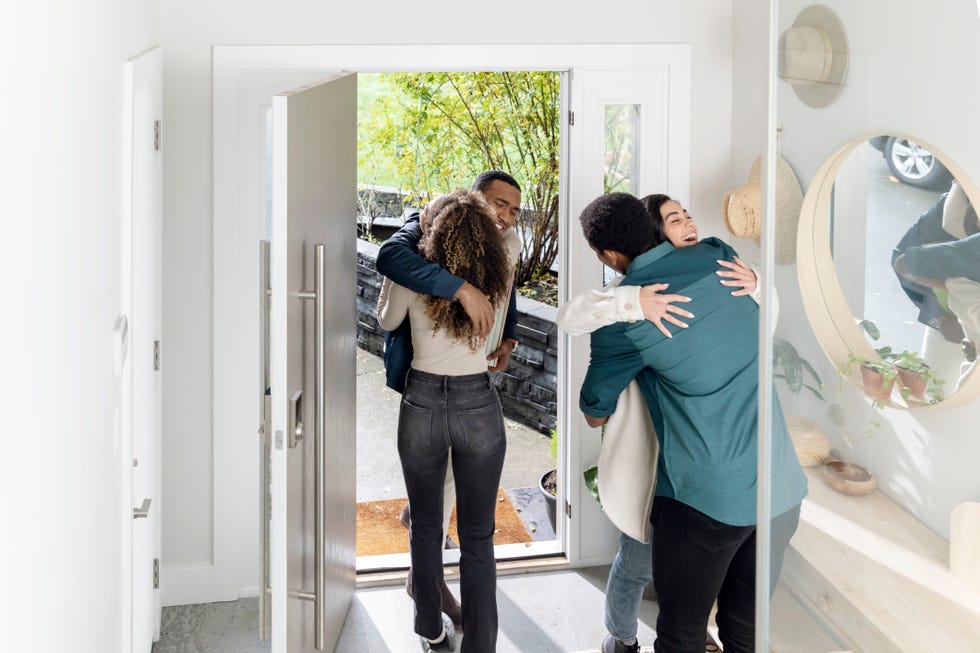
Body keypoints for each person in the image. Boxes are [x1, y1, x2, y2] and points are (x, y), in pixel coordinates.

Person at [576, 192, 807, 653]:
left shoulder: (623, 321)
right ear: (654, 230)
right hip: (780, 490)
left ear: (607, 256)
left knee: (681, 635)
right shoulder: (721, 256)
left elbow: (593, 410)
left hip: (706, 503)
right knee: (747, 630)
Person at [376, 170, 523, 626]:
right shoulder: (414, 241)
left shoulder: (506, 245)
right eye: (499, 204)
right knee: (475, 535)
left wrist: (508, 337)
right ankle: (443, 599)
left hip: (430, 393)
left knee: (432, 510)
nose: (506, 217)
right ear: (473, 200)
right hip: (467, 395)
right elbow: (390, 256)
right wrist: (462, 289)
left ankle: (428, 616)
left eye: (514, 210)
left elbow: (385, 319)